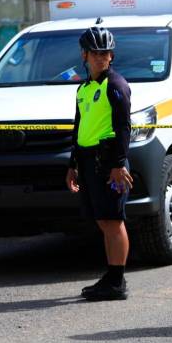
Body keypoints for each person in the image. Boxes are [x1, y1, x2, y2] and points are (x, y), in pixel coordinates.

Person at [66, 26, 134, 301]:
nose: (100, 57)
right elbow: (79, 126)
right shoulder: (83, 89)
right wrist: (72, 164)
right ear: (84, 55)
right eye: (94, 53)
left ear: (111, 56)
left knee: (113, 220)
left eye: (105, 53)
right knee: (103, 220)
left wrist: (118, 164)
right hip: (87, 160)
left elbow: (124, 127)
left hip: (108, 161)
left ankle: (117, 282)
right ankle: (112, 275)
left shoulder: (115, 85)